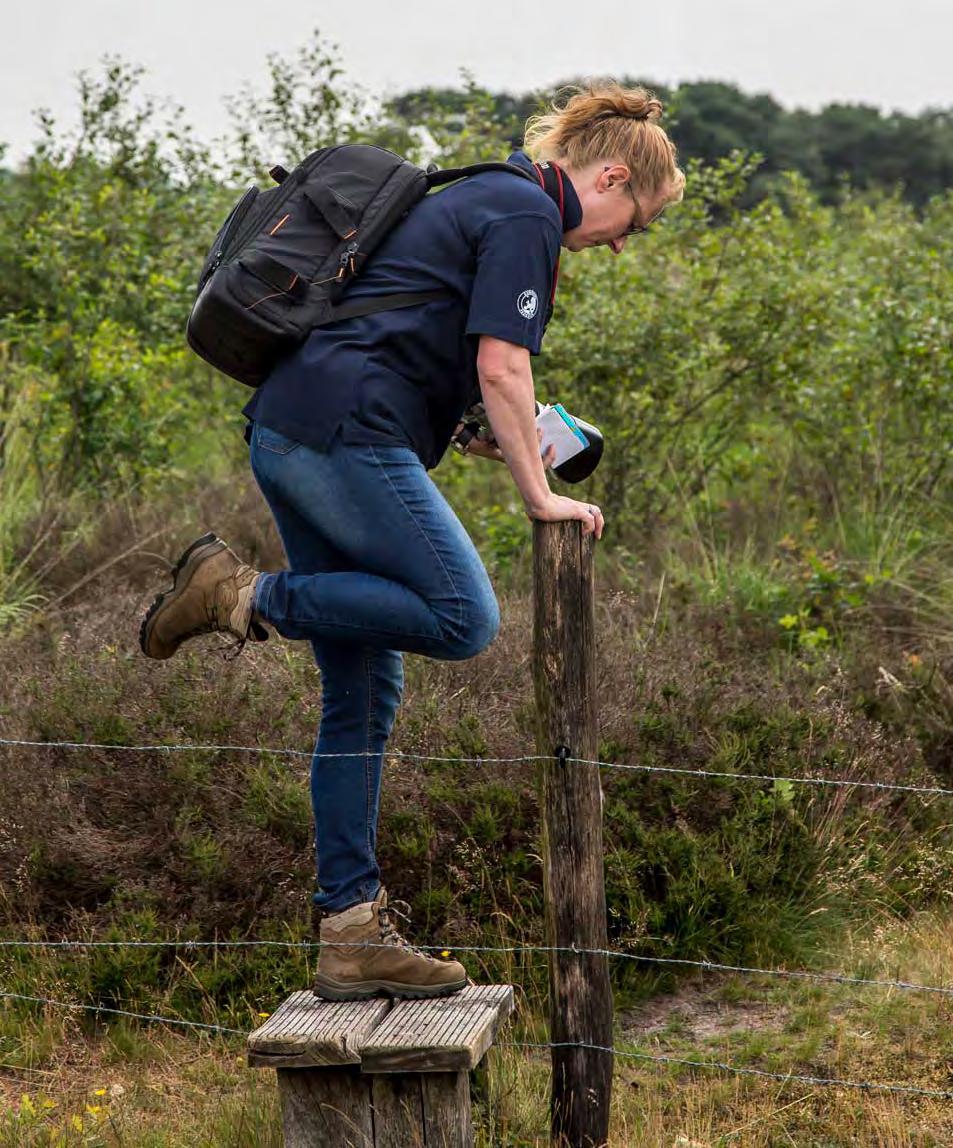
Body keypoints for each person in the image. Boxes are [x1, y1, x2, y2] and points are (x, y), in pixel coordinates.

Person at [139, 82, 685, 1001]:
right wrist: (539, 494)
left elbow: (410, 337)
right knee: (461, 615)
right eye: (635, 219)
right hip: (342, 436)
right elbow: (502, 363)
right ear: (611, 174)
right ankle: (238, 596)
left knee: (362, 693)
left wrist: (475, 427)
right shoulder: (525, 214)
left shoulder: (479, 193)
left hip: (296, 429)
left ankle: (350, 931)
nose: (624, 241)